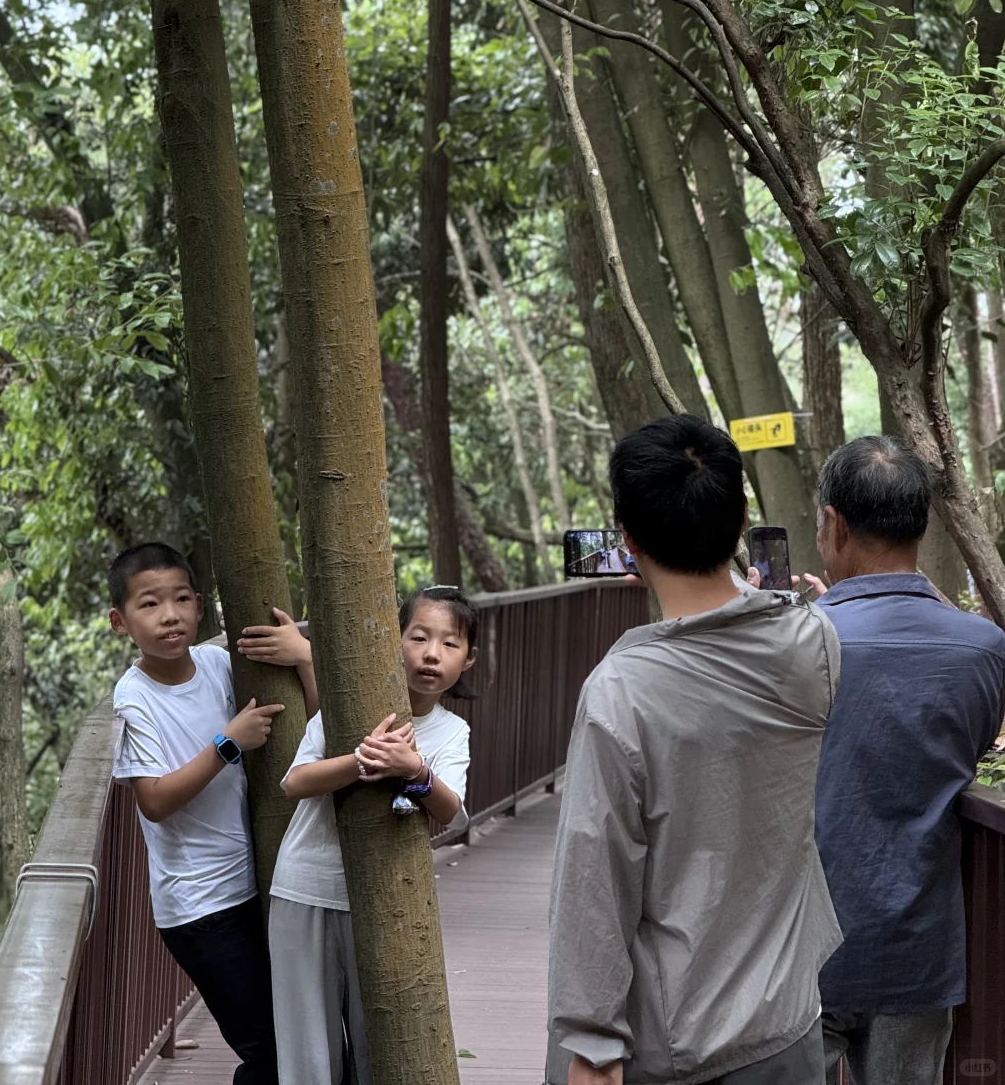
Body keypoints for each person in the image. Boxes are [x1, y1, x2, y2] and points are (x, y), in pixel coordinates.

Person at [547, 414, 842, 1085]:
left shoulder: (621, 691)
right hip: (787, 1018)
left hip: (671, 1039)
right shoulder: (816, 645)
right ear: (742, 524)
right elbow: (762, 621)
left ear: (627, 539)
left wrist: (593, 1040)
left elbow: (596, 875)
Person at [810, 438, 1005, 1085]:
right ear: (922, 524)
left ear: (834, 525)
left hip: (801, 943)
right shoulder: (984, 650)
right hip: (919, 946)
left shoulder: (795, 643)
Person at [110, 542, 318, 1085]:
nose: (170, 615)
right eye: (150, 604)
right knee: (269, 1054)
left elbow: (313, 724)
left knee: (303, 1039)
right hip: (200, 909)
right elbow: (153, 800)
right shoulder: (134, 698)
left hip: (259, 884)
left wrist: (304, 657)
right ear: (119, 620)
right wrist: (228, 743)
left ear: (201, 606)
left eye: (180, 598)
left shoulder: (218, 663)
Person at [268, 584, 477, 1085]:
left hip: (388, 905)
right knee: (306, 1055)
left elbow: (454, 813)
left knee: (379, 1046)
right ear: (393, 642)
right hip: (304, 891)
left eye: (450, 644)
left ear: (468, 661)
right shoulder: (346, 709)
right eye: (419, 637)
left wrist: (414, 770)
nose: (431, 654)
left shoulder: (451, 733)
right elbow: (294, 781)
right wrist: (362, 759)